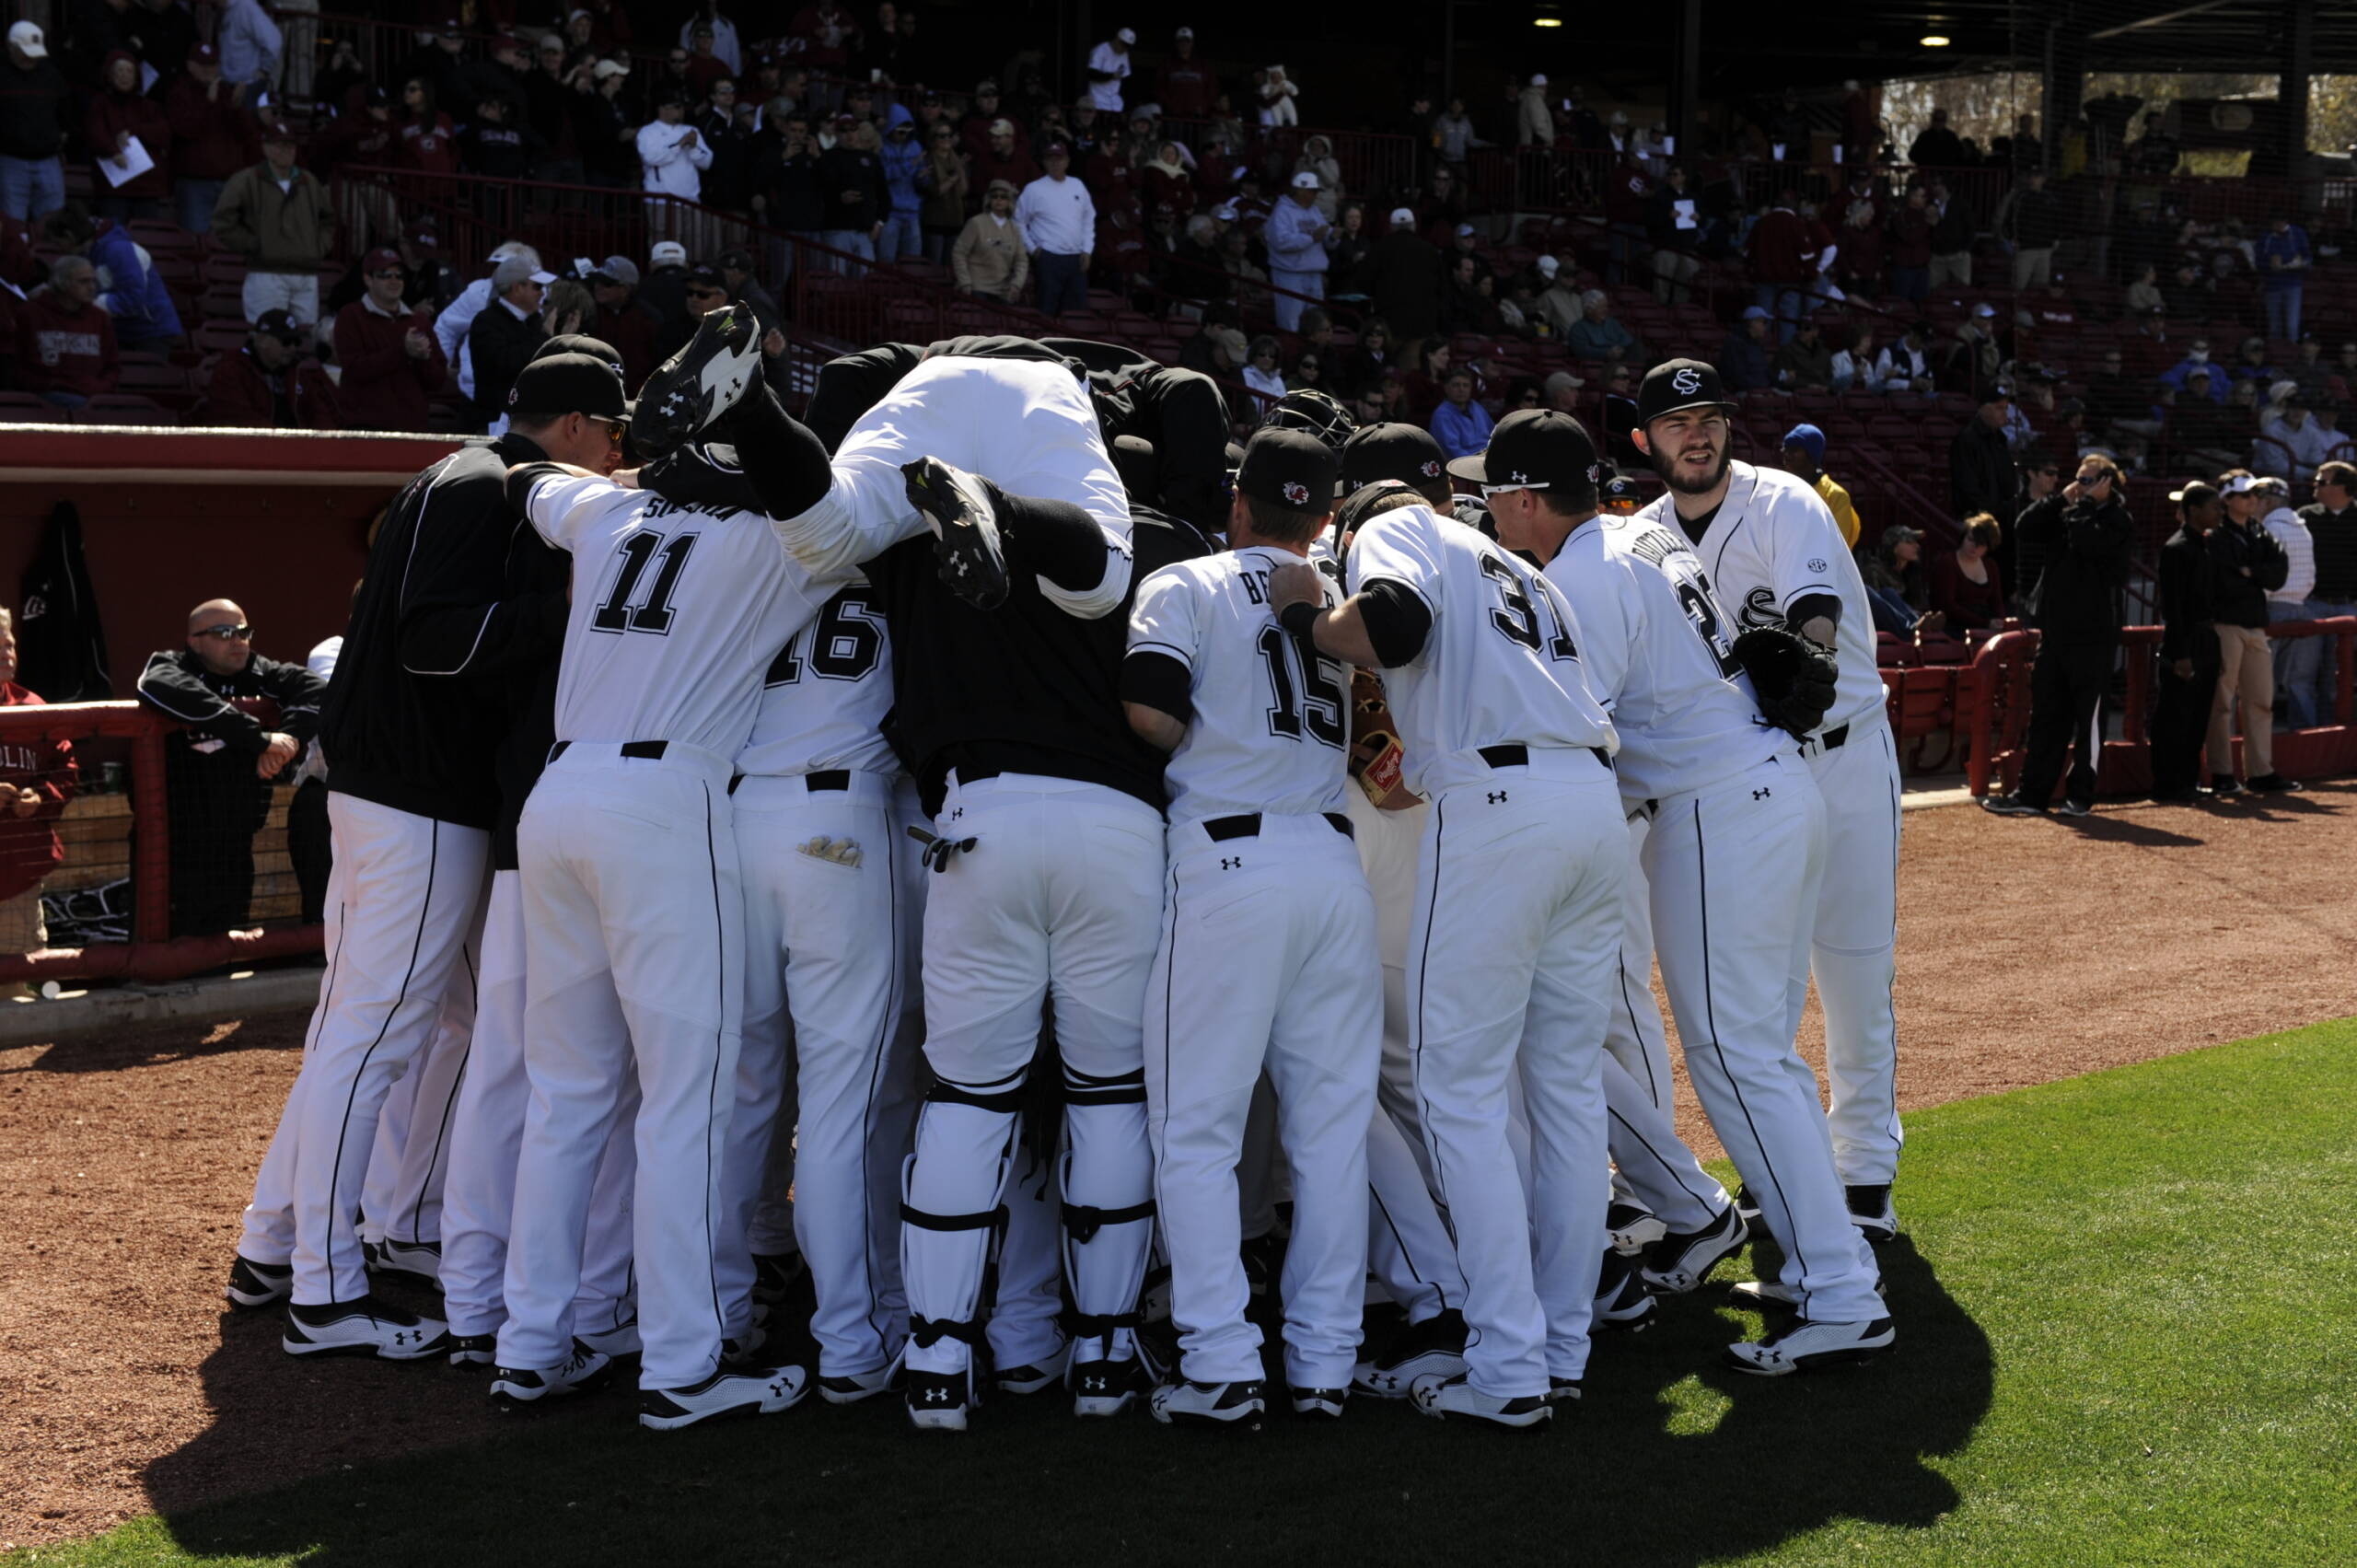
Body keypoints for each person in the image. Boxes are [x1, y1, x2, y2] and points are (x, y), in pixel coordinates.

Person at [654, 319, 1207, 1434]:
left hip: (972, 816)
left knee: (966, 1096)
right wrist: (1119, 384)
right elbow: (1181, 430)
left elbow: (829, 543)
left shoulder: (908, 544)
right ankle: (1098, 1359)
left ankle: (937, 1363)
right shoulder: (1167, 544)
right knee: (1104, 1094)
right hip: (1111, 824)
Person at [1486, 405, 1869, 1380]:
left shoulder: (1579, 570)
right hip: (1767, 783)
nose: (1491, 521)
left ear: (1527, 500)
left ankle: (1842, 1289)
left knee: (1737, 1057)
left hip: (1716, 806)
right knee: (1759, 1055)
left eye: (1494, 501)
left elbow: (1586, 730)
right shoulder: (1638, 527)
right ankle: (1824, 1266)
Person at [1267, 413, 1623, 1429]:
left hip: (1495, 804)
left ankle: (1508, 1363)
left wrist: (1307, 616)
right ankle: (1560, 1342)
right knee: (1560, 1089)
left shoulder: (1395, 527)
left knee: (1457, 1089)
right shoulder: (1518, 562)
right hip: (1586, 801)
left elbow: (1393, 626)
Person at [490, 343, 815, 1429]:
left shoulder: (604, 516)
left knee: (568, 1092)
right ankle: (684, 1362)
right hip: (668, 800)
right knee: (691, 1098)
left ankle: (532, 1341)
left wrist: (632, 483)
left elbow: (522, 476)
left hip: (560, 792)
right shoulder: (783, 537)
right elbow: (853, 508)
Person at [1123, 428, 1382, 1425]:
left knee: (1194, 1128)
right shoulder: (1330, 597)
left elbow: (1148, 709)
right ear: (1321, 515)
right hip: (1330, 863)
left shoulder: (1186, 580)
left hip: (1227, 858)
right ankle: (1322, 1363)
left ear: (1239, 500)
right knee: (1327, 1135)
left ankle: (1221, 1360)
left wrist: (1208, 738)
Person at [1629, 356, 1910, 1251]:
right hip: (1750, 783)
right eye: (1675, 423)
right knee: (1764, 992)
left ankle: (1864, 1172)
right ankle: (1781, 1172)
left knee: (1855, 970)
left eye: (1707, 416)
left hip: (1844, 755)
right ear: (1646, 440)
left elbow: (1813, 609)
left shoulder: (1783, 499)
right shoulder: (1641, 535)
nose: (1694, 433)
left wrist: (1806, 651)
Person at [135, 599, 324, 938]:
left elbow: (316, 689)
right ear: (194, 641)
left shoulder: (259, 671)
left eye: (243, 631)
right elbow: (155, 684)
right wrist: (258, 739)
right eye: (224, 633)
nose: (237, 640)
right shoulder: (171, 665)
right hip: (172, 843)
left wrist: (286, 742)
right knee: (170, 947)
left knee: (229, 941)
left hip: (236, 838)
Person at [1981, 459, 2132, 818]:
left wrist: (2081, 505)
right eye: (2078, 477)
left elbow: (2089, 542)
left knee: (2089, 720)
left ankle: (2080, 795)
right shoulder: (2067, 510)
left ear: (2108, 482)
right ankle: (2032, 794)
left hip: (2094, 636)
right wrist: (2058, 501)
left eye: (2089, 479)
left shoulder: (2117, 520)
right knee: (2046, 716)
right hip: (2056, 633)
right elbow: (2024, 527)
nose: (2080, 484)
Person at [2200, 474, 2297, 795]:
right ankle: (2222, 774)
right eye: (2245, 495)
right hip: (2226, 625)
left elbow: (2279, 573)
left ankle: (2260, 772)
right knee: (2222, 703)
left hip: (2255, 626)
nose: (2253, 499)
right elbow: (2226, 582)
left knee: (2261, 702)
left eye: (2255, 494)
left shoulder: (2259, 532)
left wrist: (2251, 572)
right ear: (2227, 500)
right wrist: (2257, 575)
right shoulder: (2215, 536)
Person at [0, 609, 75, 963]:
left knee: (19, 977)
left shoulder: (31, 705)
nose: (6, 654)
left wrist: (41, 796)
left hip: (17, 875)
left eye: (9, 645)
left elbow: (65, 765)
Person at [209, 117, 335, 326]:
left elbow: (328, 220)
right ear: (265, 147)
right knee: (267, 338)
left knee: (305, 339)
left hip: (306, 274)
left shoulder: (308, 181)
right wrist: (254, 245)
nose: (286, 150)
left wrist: (318, 247)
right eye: (279, 145)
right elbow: (223, 222)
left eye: (290, 145)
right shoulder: (246, 180)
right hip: (265, 273)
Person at [2151, 482, 2223, 802]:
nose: (2219, 513)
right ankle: (2170, 785)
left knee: (2197, 715)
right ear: (2195, 510)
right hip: (2186, 640)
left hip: (2205, 637)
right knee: (2176, 716)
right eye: (2214, 507)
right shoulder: (2177, 548)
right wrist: (2181, 654)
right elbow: (2173, 606)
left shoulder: (2203, 545)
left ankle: (2188, 782)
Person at [164, 42, 255, 235]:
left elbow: (246, 133)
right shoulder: (179, 92)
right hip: (194, 184)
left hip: (227, 182)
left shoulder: (226, 92)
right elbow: (185, 130)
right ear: (190, 65)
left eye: (212, 65)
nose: (208, 70)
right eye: (202, 65)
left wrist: (237, 107)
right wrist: (209, 104)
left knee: (226, 248)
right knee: (196, 244)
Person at [2258, 478, 2323, 728]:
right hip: (2301, 608)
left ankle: (2259, 740)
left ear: (2267, 501)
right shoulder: (2302, 527)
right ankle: (2308, 739)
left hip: (2272, 610)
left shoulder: (2268, 530)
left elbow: (2266, 577)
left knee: (2262, 683)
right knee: (2300, 683)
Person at [16, 255, 119, 410]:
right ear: (62, 283)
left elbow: (113, 367)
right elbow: (18, 365)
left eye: (93, 281)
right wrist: (50, 384)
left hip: (94, 396)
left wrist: (100, 387)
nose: (92, 287)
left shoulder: (100, 318)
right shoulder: (30, 314)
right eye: (83, 281)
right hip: (46, 396)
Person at [206, 308, 335, 428]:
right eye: (286, 342)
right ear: (262, 340)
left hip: (298, 446)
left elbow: (322, 415)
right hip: (251, 447)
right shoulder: (231, 369)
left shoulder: (301, 372)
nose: (292, 348)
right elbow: (240, 419)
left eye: (296, 342)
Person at [2298, 462, 2357, 722]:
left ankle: (2336, 734)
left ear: (2342, 487)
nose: (2315, 486)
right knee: (2302, 674)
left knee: (2339, 673)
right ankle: (2303, 736)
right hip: (2311, 606)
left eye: (2322, 482)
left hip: (2349, 608)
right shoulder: (2305, 517)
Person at [466, 253, 555, 424]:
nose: (542, 293)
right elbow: (505, 363)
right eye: (537, 286)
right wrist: (545, 337)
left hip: (531, 421)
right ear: (517, 288)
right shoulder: (486, 321)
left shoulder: (535, 321)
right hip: (496, 423)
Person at [87, 50, 173, 222]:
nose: (125, 76)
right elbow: (95, 134)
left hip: (147, 188)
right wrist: (113, 151)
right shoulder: (100, 104)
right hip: (114, 188)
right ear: (109, 75)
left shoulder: (150, 106)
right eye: (119, 71)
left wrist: (134, 131)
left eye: (129, 71)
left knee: (147, 238)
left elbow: (164, 133)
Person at [1, 22, 70, 223]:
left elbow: (65, 107)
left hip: (48, 159)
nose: (29, 58)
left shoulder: (50, 74)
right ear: (11, 48)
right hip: (10, 160)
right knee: (13, 223)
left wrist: (63, 134)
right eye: (24, 52)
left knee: (53, 222)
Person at [1016, 143, 1094, 317]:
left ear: (1067, 161)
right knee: (1046, 310)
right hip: (1048, 256)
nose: (1055, 163)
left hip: (1075, 258)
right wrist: (1033, 249)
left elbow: (1088, 219)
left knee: (1075, 314)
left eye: (1059, 158)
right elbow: (1019, 221)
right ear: (1044, 162)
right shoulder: (1033, 189)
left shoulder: (1077, 186)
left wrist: (1087, 250)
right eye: (1050, 159)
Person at [1264, 170, 1331, 333]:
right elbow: (1281, 242)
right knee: (1291, 319)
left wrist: (1333, 236)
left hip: (1313, 272)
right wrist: (1311, 238)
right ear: (1300, 191)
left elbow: (1324, 235)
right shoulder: (1282, 211)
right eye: (1313, 191)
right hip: (1289, 273)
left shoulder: (1314, 210)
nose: (1315, 195)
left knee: (1315, 321)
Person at [1780, 424, 1860, 549]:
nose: (1787, 455)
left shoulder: (1835, 496)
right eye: (1785, 449)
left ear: (1812, 456)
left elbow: (1836, 546)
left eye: (1794, 450)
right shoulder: (1780, 490)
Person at [1929, 513, 2008, 636]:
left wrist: (2001, 621)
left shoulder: (1990, 565)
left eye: (1981, 544)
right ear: (1963, 537)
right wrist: (1985, 623)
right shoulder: (1948, 563)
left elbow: (1997, 600)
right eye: (1970, 540)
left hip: (1986, 623)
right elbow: (1947, 606)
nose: (1974, 547)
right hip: (1956, 626)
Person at [951, 180, 1028, 301]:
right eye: (994, 196)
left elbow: (1022, 260)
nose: (999, 199)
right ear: (989, 199)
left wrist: (1016, 285)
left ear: (1009, 202)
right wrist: (965, 282)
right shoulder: (976, 223)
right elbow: (959, 253)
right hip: (975, 288)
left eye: (1003, 197)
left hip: (1003, 291)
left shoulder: (1014, 229)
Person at [1951, 385, 2017, 525]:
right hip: (1977, 519)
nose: (2004, 413)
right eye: (1999, 408)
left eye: (2006, 408)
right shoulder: (1967, 439)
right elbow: (1966, 484)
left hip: (2001, 517)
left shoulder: (2000, 439)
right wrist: (1988, 510)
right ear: (1982, 408)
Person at [2257, 215, 2310, 344]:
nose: (2277, 226)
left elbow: (2308, 257)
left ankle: (2292, 353)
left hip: (2293, 285)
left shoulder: (2298, 233)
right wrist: (2270, 265)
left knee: (2292, 326)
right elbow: (2258, 262)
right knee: (2275, 326)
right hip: (2272, 286)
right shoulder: (2266, 237)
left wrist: (2302, 263)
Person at [1427, 366, 1492, 459]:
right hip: (1464, 465)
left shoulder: (1476, 406)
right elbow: (1453, 452)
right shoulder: (1442, 415)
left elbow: (1493, 434)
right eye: (1456, 385)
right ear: (1446, 388)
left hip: (1488, 458)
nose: (1461, 389)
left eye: (1466, 385)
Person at [1085, 26, 1133, 113]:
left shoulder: (1124, 54)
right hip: (1097, 100)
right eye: (1123, 44)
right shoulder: (1101, 50)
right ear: (1117, 39)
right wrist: (1111, 76)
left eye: (1127, 46)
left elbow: (1126, 77)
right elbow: (1091, 74)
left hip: (1115, 102)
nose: (1124, 48)